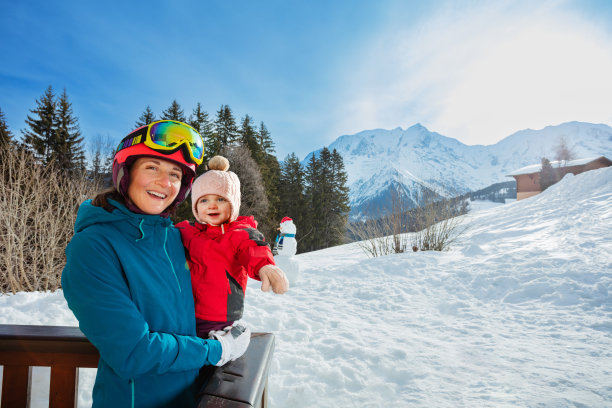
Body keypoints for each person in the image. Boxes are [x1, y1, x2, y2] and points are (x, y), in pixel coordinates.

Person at [61, 120, 251, 407]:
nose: (166, 182)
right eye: (153, 167)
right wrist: (217, 349)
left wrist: (223, 323)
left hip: (190, 396)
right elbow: (133, 351)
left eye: (176, 174)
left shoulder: (174, 238)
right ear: (126, 173)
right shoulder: (94, 247)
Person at [176, 155, 289, 338]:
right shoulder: (187, 231)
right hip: (186, 310)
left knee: (214, 354)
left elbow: (253, 248)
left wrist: (265, 266)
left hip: (220, 314)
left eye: (220, 199)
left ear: (233, 203)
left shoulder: (239, 233)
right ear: (195, 207)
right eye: (204, 200)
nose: (212, 205)